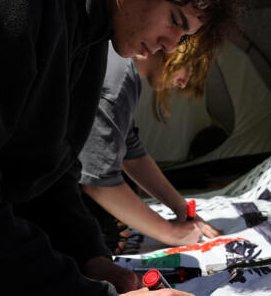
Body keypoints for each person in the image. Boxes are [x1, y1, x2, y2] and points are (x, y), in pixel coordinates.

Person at [0, 0, 241, 295]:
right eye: (175, 20)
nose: (171, 46)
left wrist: (93, 258)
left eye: (185, 37)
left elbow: (49, 171)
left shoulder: (91, 37)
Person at [79, 43, 223, 254]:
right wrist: (170, 233)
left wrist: (182, 210)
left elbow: (132, 154)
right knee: (111, 240)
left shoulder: (127, 73)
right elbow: (98, 180)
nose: (183, 83)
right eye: (190, 68)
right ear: (175, 46)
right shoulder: (119, 77)